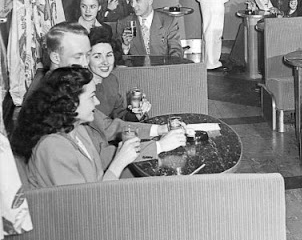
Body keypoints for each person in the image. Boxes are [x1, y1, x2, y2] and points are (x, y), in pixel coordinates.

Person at [25, 22, 185, 161]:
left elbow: (107, 130)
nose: (85, 64)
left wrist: (156, 130)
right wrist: (158, 144)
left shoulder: (69, 84)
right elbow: (104, 136)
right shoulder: (53, 93)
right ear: (55, 58)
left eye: (87, 55)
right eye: (79, 56)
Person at [12, 67, 141, 188]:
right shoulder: (53, 147)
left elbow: (97, 180)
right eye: (92, 97)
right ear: (71, 103)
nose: (97, 102)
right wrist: (118, 163)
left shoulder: (79, 130)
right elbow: (83, 201)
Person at [88, 27, 148, 121]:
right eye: (97, 57)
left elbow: (120, 115)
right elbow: (102, 125)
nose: (105, 62)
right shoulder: (82, 87)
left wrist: (138, 113)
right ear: (86, 59)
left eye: (109, 55)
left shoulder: (111, 80)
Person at [117, 0, 183, 58]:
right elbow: (117, 57)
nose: (133, 5)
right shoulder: (124, 23)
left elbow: (176, 53)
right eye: (131, 1)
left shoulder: (168, 22)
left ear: (150, 1)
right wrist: (125, 45)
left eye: (137, 0)